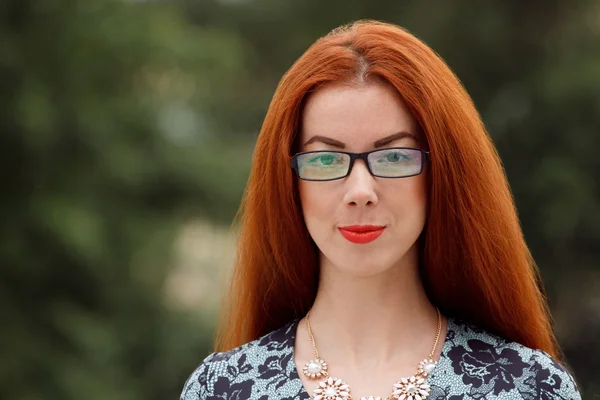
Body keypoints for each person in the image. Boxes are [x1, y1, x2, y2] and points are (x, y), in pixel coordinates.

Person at [180, 20, 581, 400]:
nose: (360, 190)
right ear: (288, 183)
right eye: (325, 160)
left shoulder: (530, 386)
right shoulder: (223, 388)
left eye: (393, 157)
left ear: (442, 174)